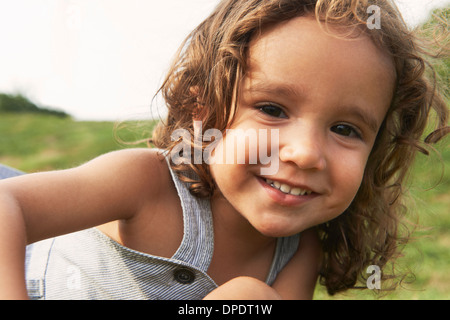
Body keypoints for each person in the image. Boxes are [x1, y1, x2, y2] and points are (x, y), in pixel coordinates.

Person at [0, 0, 448, 300]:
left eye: (346, 128)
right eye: (272, 109)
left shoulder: (297, 252)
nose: (305, 153)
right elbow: (7, 205)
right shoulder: (147, 183)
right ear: (204, 108)